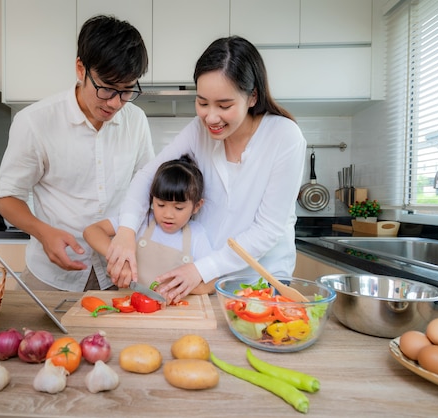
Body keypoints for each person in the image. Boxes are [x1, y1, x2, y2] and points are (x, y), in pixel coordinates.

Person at [105, 36, 307, 303]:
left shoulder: (284, 137)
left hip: (260, 283)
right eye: (202, 103)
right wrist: (127, 232)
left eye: (224, 106)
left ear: (252, 96)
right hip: (206, 282)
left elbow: (267, 229)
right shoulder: (198, 131)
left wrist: (200, 269)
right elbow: (147, 176)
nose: (211, 117)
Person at [0, 15, 154, 292]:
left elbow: (147, 189)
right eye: (106, 88)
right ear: (81, 69)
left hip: (117, 272)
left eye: (127, 91)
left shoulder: (136, 121)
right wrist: (44, 233)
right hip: (52, 275)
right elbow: (6, 198)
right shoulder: (35, 122)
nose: (115, 103)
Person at [84, 154, 216, 295]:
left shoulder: (196, 235)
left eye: (178, 208)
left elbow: (213, 281)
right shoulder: (141, 221)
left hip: (174, 314)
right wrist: (120, 259)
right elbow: (92, 231)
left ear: (196, 206)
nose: (168, 214)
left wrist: (178, 289)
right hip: (129, 309)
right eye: (160, 204)